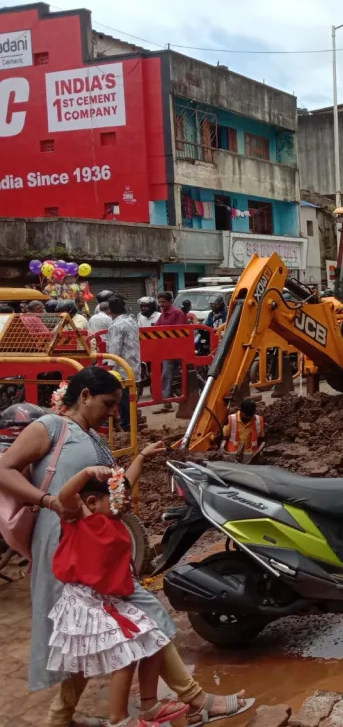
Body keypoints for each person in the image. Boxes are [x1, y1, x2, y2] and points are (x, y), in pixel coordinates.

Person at [0, 367, 253, 726]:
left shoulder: (94, 439)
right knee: (146, 618)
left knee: (86, 637)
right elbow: (3, 469)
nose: (112, 413)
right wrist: (47, 500)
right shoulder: (50, 428)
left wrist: (140, 462)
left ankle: (61, 718)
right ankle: (195, 701)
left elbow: (113, 497)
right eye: (108, 404)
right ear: (84, 395)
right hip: (68, 547)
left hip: (101, 554)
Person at [47, 462, 188, 727]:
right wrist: (86, 473)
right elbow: (66, 495)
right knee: (126, 653)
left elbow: (123, 486)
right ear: (92, 501)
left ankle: (149, 705)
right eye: (118, 499)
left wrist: (143, 457)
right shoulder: (80, 517)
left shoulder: (113, 520)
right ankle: (118, 719)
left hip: (105, 600)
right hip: (83, 602)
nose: (125, 504)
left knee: (153, 636)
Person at [105, 296, 141, 431]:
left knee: (123, 398)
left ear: (110, 310)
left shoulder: (116, 326)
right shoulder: (131, 321)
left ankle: (127, 426)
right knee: (131, 397)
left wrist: (110, 367)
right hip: (133, 365)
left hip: (122, 368)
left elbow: (114, 348)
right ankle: (131, 424)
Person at [155, 292, 187, 411]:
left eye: (163, 302)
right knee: (165, 376)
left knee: (188, 374)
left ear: (170, 302)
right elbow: (156, 329)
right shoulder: (162, 314)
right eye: (160, 302)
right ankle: (166, 401)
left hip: (180, 350)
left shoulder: (177, 313)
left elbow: (179, 332)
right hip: (168, 351)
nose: (161, 304)